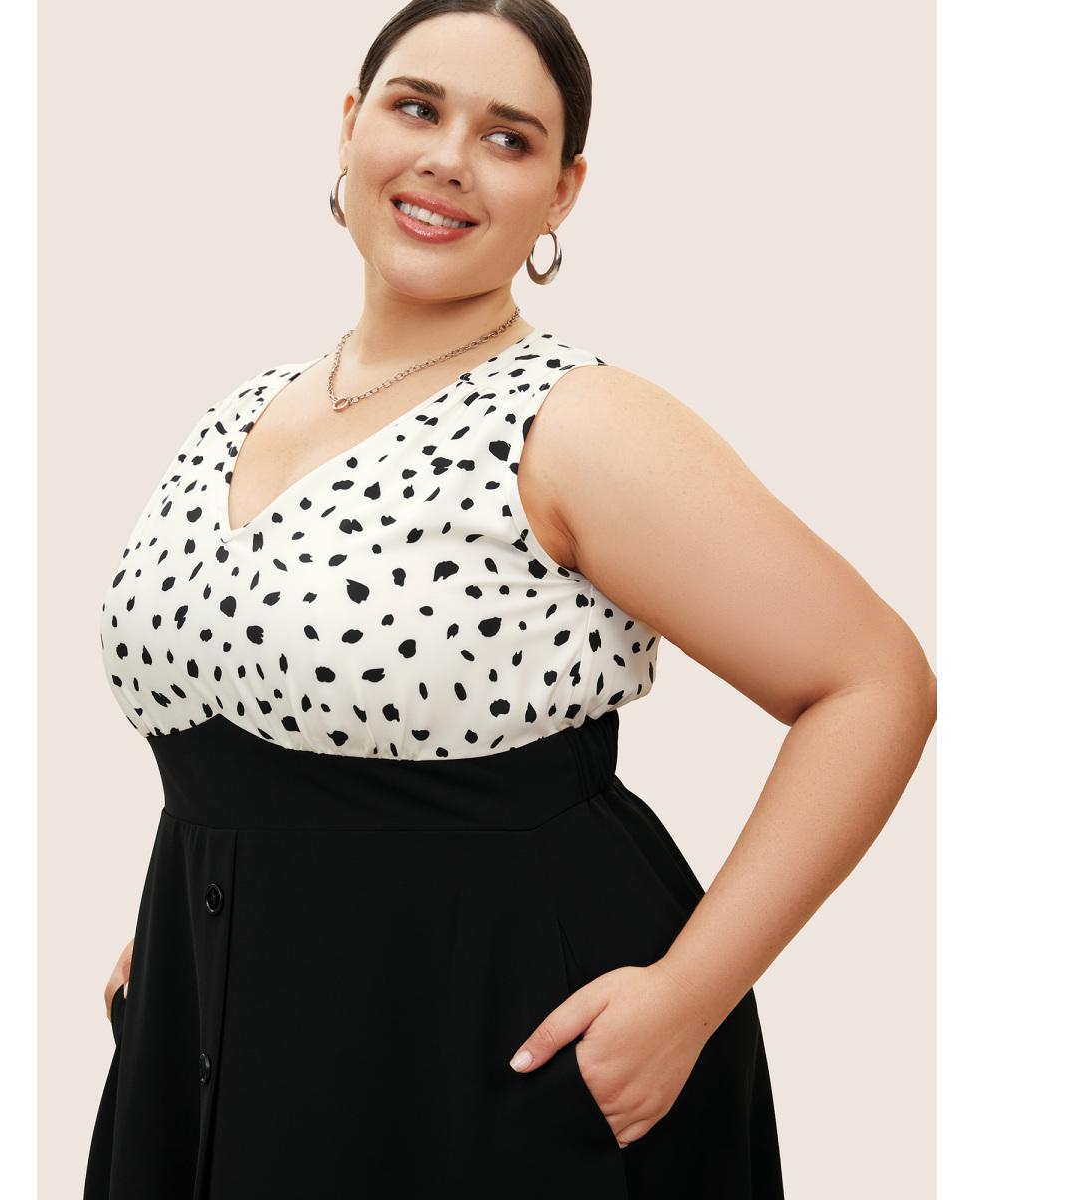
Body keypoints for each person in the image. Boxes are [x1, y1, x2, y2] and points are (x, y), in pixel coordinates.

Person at [83, 2, 937, 1197]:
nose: (449, 159)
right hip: (232, 1036)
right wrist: (191, 927)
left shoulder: (575, 424)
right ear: (350, 126)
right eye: (417, 108)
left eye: (508, 137)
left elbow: (872, 681)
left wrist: (685, 1002)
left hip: (496, 1057)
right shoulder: (240, 409)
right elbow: (254, 722)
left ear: (562, 191)